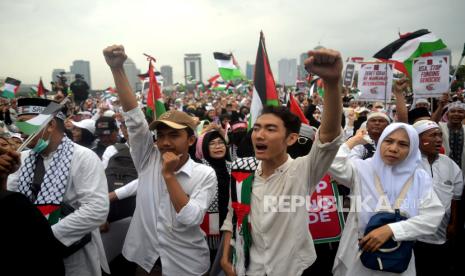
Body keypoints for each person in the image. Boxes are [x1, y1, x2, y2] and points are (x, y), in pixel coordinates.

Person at [220, 48, 344, 276]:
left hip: (293, 269)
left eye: (270, 129)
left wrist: (332, 83)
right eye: (256, 128)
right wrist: (227, 257)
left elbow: (328, 139)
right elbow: (233, 214)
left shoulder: (302, 171)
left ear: (291, 138)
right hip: (248, 269)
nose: (259, 135)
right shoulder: (241, 171)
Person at [103, 44, 217, 275]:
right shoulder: (147, 158)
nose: (164, 142)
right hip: (145, 261)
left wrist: (168, 175)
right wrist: (117, 69)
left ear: (191, 140)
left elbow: (190, 217)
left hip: (186, 265)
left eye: (174, 135)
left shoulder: (204, 174)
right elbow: (134, 119)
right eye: (160, 135)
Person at [6, 98, 110, 276]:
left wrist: (41, 238)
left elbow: (96, 209)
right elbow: (10, 206)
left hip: (73, 257)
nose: (20, 131)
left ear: (51, 124)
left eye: (26, 124)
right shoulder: (21, 158)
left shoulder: (83, 157)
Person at [329, 123, 444, 276]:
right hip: (357, 256)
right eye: (388, 141)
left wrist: (391, 230)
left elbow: (432, 218)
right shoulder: (361, 169)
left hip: (397, 257)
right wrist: (354, 140)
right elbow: (332, 163)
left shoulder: (419, 177)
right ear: (380, 141)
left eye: (403, 144)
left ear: (412, 149)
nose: (393, 148)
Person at [412, 120, 463, 275]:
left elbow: (456, 196)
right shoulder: (408, 164)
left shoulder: (449, 163)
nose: (439, 139)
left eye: (440, 135)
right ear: (417, 139)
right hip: (414, 236)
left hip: (442, 236)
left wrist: (453, 223)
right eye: (432, 135)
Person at [195, 130, 231, 263]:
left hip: (229, 219)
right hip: (209, 222)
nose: (218, 146)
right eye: (213, 144)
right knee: (211, 257)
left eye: (221, 143)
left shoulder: (232, 166)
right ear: (205, 147)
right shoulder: (199, 168)